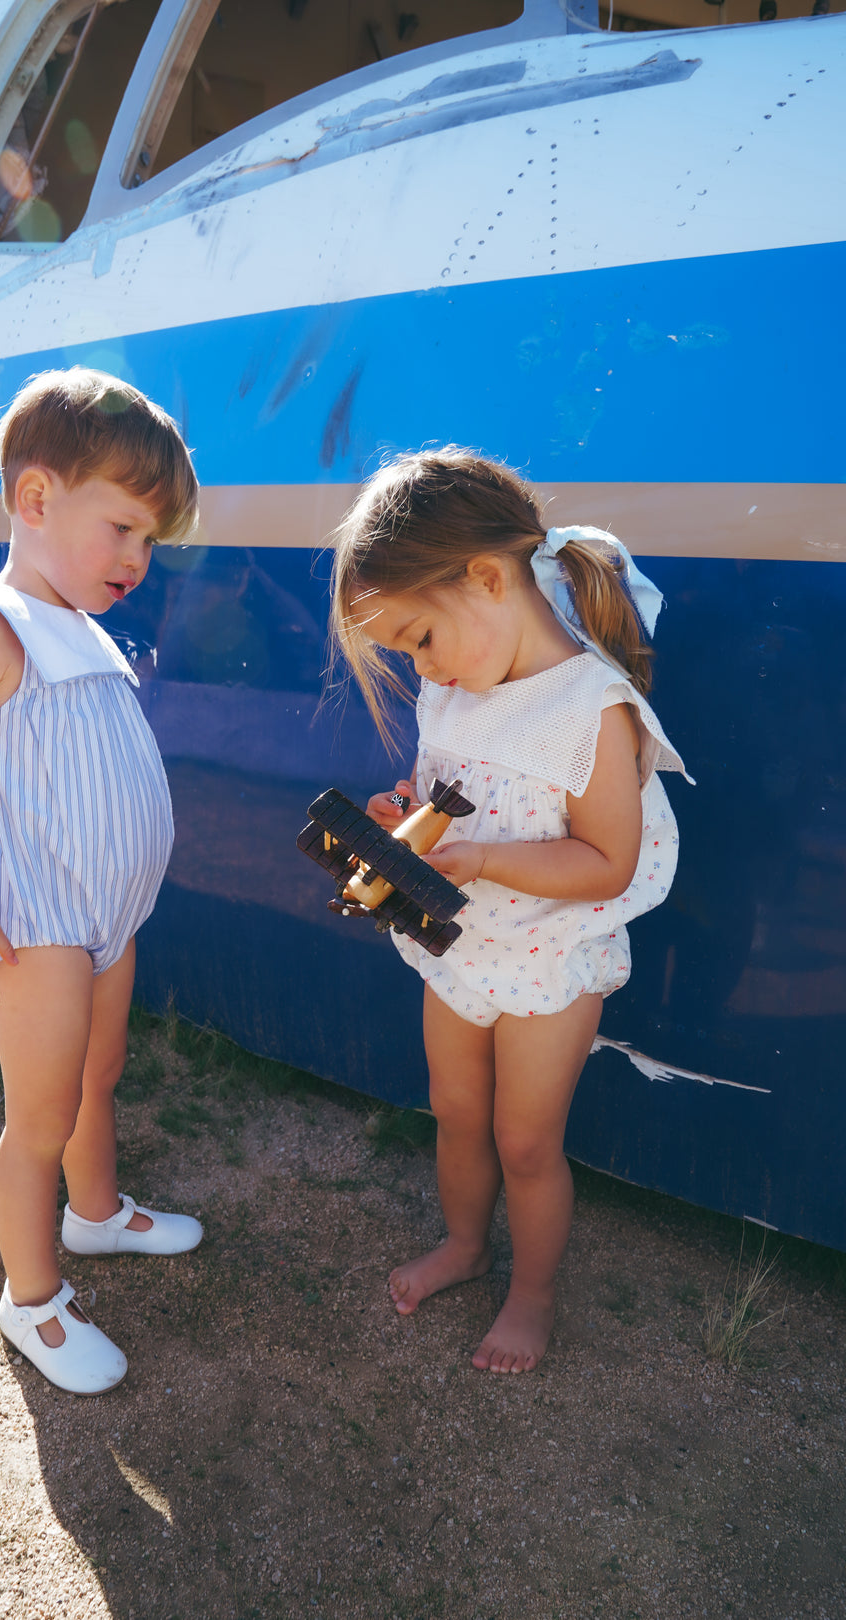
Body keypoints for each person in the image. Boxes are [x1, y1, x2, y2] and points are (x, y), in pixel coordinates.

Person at [330, 449, 690, 1374]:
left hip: (548, 962)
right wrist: (405, 821)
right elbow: (452, 794)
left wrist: (484, 856)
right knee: (456, 1112)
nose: (420, 665)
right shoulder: (459, 682)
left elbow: (608, 862)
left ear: (486, 579)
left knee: (526, 1142)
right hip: (457, 950)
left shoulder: (591, 707)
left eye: (419, 638)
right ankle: (463, 1244)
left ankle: (530, 1293)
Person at [0, 368, 203, 1395]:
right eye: (123, 528)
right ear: (35, 500)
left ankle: (98, 1213)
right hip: (34, 922)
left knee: (97, 1079)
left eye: (150, 541)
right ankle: (31, 1300)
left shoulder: (83, 627)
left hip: (107, 916)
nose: (138, 558)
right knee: (39, 1115)